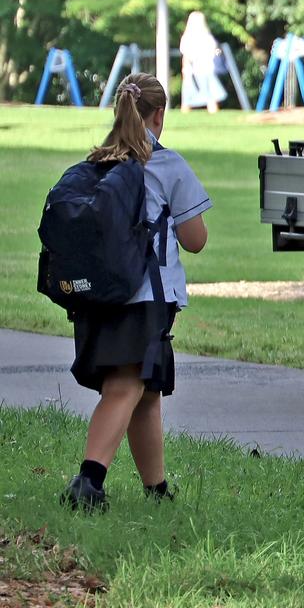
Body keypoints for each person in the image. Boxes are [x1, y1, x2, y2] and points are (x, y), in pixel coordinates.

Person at [61, 73, 211, 511]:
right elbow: (196, 238)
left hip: (100, 294)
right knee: (125, 385)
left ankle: (156, 489)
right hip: (146, 297)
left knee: (146, 393)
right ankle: (88, 482)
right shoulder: (166, 165)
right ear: (158, 114)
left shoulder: (97, 162)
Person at [179, 11, 227, 113]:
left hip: (192, 71)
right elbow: (214, 53)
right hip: (207, 69)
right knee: (211, 98)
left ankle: (185, 116)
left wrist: (184, 70)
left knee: (187, 100)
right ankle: (214, 117)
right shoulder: (208, 38)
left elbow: (186, 57)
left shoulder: (187, 38)